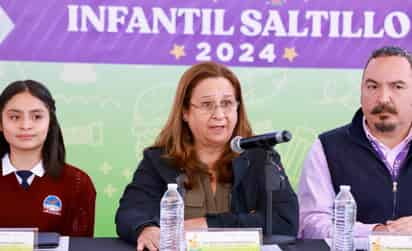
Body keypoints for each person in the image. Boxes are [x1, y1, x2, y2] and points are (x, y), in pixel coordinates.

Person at [115, 61, 298, 251]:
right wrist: (145, 228)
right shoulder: (160, 159)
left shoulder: (261, 157)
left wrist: (205, 224)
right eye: (206, 105)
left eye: (226, 103)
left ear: (237, 108)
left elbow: (284, 222)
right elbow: (130, 212)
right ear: (185, 112)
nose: (219, 114)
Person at [298, 46, 412, 238]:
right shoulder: (327, 147)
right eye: (372, 86)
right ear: (361, 92)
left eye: (397, 86)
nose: (383, 98)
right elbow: (311, 224)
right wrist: (379, 232)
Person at [0, 80, 96, 236]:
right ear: (0, 123)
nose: (25, 125)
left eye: (37, 116)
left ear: (50, 121)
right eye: (14, 117)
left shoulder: (78, 183)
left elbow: (79, 245)